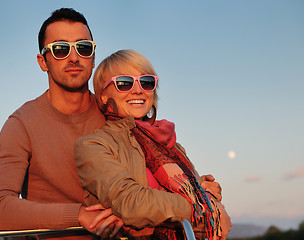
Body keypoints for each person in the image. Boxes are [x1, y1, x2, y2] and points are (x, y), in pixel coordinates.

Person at [0, 7, 223, 239]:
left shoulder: (118, 111)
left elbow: (155, 171)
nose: (74, 57)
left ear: (93, 57)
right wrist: (77, 215)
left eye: (83, 48)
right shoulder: (22, 124)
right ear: (43, 61)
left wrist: (198, 187)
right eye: (60, 49)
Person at [75, 49, 232, 239]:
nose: (138, 90)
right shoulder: (94, 145)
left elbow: (200, 193)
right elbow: (130, 202)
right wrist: (205, 206)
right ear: (103, 95)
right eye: (124, 83)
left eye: (146, 82)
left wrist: (210, 193)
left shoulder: (171, 144)